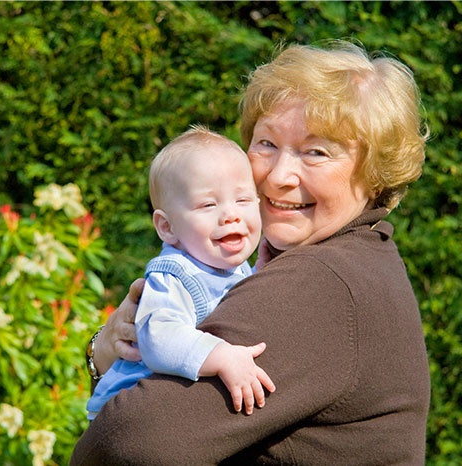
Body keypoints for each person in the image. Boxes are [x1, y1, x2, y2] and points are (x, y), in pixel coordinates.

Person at [72, 40, 431, 465]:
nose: (278, 176)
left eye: (316, 152)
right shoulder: (355, 261)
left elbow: (126, 444)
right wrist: (105, 351)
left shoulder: (319, 284)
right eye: (266, 144)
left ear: (374, 175)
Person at [86, 127, 275, 421]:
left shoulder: (224, 264)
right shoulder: (173, 276)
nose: (231, 215)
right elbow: (159, 338)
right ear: (167, 227)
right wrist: (222, 356)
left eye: (243, 200)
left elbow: (228, 297)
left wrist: (258, 272)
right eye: (208, 204)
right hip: (126, 412)